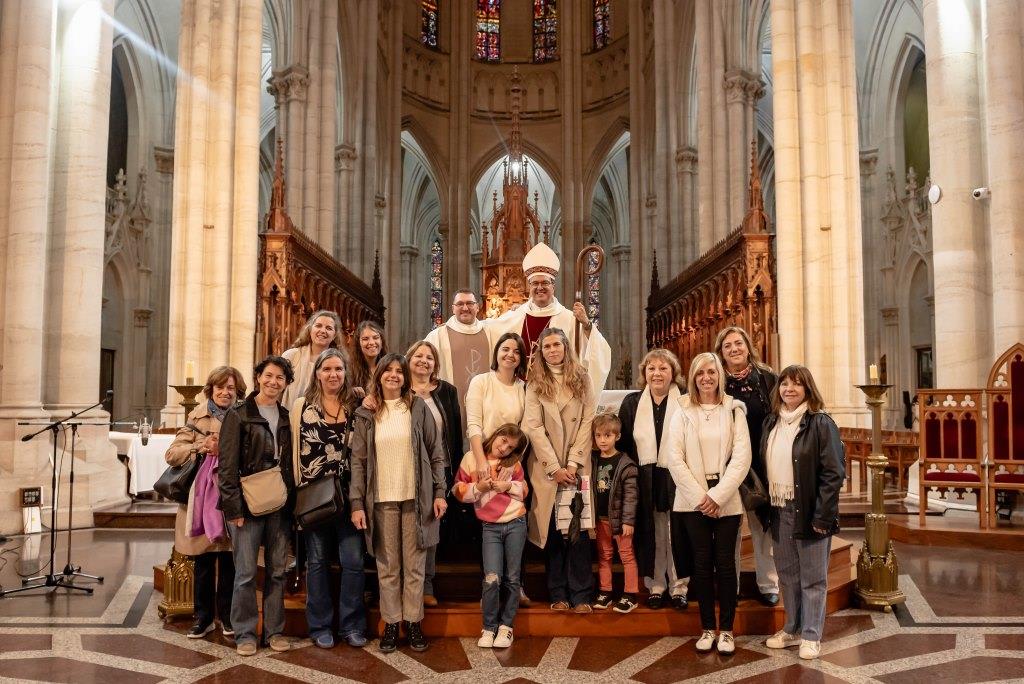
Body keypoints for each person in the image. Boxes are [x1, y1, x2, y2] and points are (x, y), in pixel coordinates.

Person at [349, 353, 447, 654]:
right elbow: (359, 462)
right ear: (378, 376)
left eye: (398, 371)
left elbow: (436, 451)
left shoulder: (417, 408)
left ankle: (414, 622)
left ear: (405, 377)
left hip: (416, 499)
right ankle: (391, 623)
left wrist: (441, 491)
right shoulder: (367, 414)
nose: (394, 375)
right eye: (388, 371)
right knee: (388, 566)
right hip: (381, 500)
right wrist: (356, 503)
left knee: (415, 565)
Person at [665, 352, 751, 655]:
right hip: (692, 501)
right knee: (701, 565)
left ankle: (726, 630)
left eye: (712, 372)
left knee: (726, 565)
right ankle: (705, 628)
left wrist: (717, 496)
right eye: (700, 373)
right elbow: (674, 458)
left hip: (725, 498)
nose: (706, 378)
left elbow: (742, 458)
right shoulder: (681, 410)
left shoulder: (734, 409)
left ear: (720, 376)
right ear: (693, 377)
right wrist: (701, 497)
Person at [762, 365, 845, 661]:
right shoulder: (772, 422)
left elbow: (833, 473)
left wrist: (823, 516)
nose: (789, 389)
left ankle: (811, 634)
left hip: (808, 509)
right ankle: (792, 628)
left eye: (797, 384)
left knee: (813, 577)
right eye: (784, 384)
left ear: (808, 389)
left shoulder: (820, 423)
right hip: (778, 506)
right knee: (787, 574)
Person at [218, 356, 296, 657]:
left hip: (279, 504)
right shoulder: (239, 415)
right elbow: (226, 468)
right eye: (269, 376)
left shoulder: (287, 415)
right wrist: (233, 510)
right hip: (247, 505)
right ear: (258, 377)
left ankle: (274, 631)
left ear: (286, 384)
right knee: (247, 573)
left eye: (280, 378)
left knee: (277, 571)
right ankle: (245, 633)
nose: (274, 382)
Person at [291, 348, 367, 649]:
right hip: (314, 498)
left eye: (338, 369)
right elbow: (293, 451)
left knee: (353, 562)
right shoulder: (301, 406)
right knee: (318, 562)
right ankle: (320, 626)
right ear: (317, 373)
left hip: (350, 498)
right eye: (327, 369)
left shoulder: (357, 405)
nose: (333, 375)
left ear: (346, 373)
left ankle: (351, 625)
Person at [164, 365, 247, 640]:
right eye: (220, 387)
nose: (226, 392)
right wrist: (201, 446)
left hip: (232, 497)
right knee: (202, 560)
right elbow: (172, 454)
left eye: (231, 388)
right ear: (211, 390)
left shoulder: (245, 415)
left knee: (228, 560)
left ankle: (226, 616)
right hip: (201, 500)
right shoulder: (197, 416)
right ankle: (202, 618)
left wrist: (224, 448)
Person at [522, 327, 596, 613]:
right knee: (553, 530)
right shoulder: (535, 382)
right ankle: (558, 592)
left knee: (576, 526)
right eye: (547, 346)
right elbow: (534, 426)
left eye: (557, 345)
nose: (552, 350)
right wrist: (554, 467)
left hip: (576, 465)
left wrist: (573, 462)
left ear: (566, 347)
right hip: (546, 467)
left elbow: (588, 420)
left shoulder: (582, 378)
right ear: (540, 351)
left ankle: (581, 593)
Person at [489, 243, 611, 402]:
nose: (540, 287)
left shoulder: (569, 319)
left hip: (556, 397)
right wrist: (448, 329)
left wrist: (587, 324)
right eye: (535, 283)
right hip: (518, 396)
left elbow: (597, 350)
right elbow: (486, 329)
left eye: (545, 283)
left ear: (553, 286)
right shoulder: (515, 315)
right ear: (529, 286)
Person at [616, 349, 690, 610]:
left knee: (676, 532)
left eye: (663, 368)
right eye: (651, 368)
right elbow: (623, 445)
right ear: (643, 373)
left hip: (677, 475)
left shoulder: (685, 402)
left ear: (673, 373)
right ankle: (656, 585)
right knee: (652, 532)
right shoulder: (632, 403)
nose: (657, 373)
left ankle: (679, 586)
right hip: (644, 478)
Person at [715, 325, 780, 606]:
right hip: (726, 464)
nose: (734, 349)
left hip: (761, 464)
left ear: (747, 345)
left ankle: (768, 583)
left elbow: (779, 416)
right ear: (721, 352)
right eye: (727, 346)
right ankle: (733, 584)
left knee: (762, 527)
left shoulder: (767, 378)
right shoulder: (715, 381)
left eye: (738, 343)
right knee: (729, 529)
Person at [451, 423, 530, 649]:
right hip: (490, 527)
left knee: (513, 578)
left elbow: (523, 490)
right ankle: (488, 627)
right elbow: (458, 490)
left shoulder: (513, 463)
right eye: (503, 440)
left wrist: (508, 486)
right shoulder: (471, 458)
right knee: (492, 577)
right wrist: (479, 488)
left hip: (516, 522)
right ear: (495, 435)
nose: (504, 448)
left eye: (510, 447)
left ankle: (506, 628)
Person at [406, 340, 463, 606]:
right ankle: (407, 584)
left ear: (435, 364)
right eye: (418, 356)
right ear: (408, 360)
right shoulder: (399, 390)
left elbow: (454, 431)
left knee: (429, 527)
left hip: (438, 468)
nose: (423, 361)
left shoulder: (446, 391)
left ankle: (427, 585)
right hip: (405, 467)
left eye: (429, 357)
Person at [424, 289, 496, 430]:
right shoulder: (437, 335)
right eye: (460, 304)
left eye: (470, 303)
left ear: (478, 306)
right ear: (453, 308)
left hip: (487, 404)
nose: (465, 308)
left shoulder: (491, 331)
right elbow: (414, 361)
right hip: (450, 404)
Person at [590, 413, 640, 614]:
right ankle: (606, 591)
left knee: (626, 555)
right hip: (601, 519)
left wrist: (628, 520)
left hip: (620, 521)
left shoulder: (625, 464)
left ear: (617, 437)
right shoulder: (592, 461)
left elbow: (630, 496)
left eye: (608, 435)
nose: (603, 440)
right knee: (604, 555)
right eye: (599, 435)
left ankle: (630, 594)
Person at [281, 310, 346, 407]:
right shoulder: (291, 356)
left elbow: (343, 391)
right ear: (310, 329)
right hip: (289, 417)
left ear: (335, 335)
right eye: (318, 326)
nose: (323, 331)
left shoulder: (339, 363)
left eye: (328, 328)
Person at [349, 320, 386, 391]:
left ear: (381, 341)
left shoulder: (389, 366)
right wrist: (352, 391)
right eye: (365, 339)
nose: (371, 342)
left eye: (375, 338)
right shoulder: (349, 369)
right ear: (358, 344)